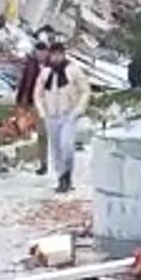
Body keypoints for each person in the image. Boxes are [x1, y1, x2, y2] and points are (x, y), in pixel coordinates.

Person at [34, 43, 90, 194]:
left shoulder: (73, 70)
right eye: (54, 54)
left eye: (59, 54)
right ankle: (61, 178)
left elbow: (85, 90)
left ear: (64, 54)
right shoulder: (45, 72)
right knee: (56, 148)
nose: (56, 57)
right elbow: (38, 93)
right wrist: (42, 111)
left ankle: (67, 174)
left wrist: (78, 109)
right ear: (50, 56)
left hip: (68, 114)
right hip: (51, 115)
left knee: (67, 146)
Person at [16, 42, 49, 175]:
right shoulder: (31, 64)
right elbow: (24, 81)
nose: (40, 55)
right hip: (35, 102)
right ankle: (44, 163)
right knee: (42, 134)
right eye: (38, 52)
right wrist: (20, 100)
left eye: (42, 52)